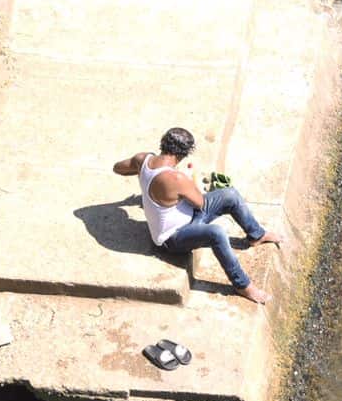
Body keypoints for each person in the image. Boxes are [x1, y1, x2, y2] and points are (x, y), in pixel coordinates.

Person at [111, 127, 285, 305]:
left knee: (229, 195)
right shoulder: (176, 178)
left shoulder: (142, 159)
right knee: (216, 233)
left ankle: (256, 234)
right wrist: (189, 181)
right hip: (173, 238)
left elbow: (118, 168)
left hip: (186, 216)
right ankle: (243, 285)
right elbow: (200, 203)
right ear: (182, 155)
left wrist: (143, 176)